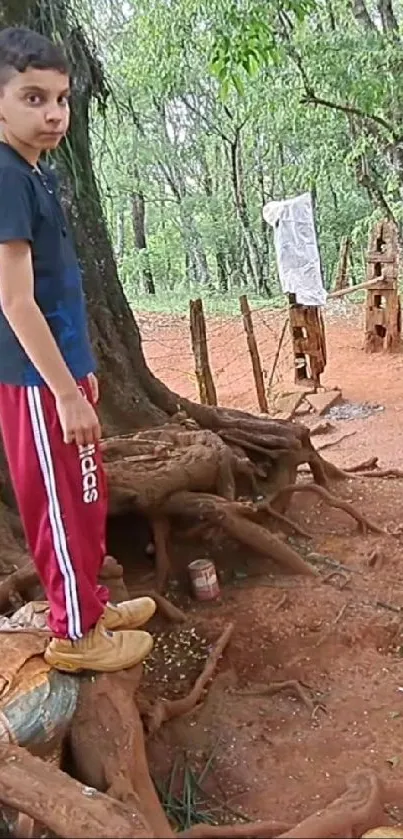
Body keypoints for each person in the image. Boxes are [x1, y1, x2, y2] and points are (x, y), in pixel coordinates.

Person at [0, 26, 156, 672]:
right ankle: (75, 633)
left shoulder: (38, 174)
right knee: (60, 506)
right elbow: (13, 301)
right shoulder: (5, 178)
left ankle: (88, 600)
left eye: (60, 99)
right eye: (33, 98)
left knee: (87, 495)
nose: (53, 113)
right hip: (38, 384)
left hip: (68, 371)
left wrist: (82, 375)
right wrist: (63, 390)